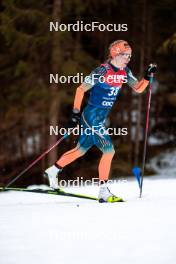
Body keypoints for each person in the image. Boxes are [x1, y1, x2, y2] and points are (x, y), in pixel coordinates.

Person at [44, 40, 157, 202]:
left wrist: (147, 76)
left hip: (99, 118)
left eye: (130, 56)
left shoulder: (124, 72)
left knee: (80, 150)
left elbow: (138, 89)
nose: (128, 58)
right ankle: (103, 191)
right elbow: (80, 89)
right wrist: (75, 113)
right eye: (125, 55)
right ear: (115, 53)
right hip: (91, 116)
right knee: (109, 151)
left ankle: (53, 170)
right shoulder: (102, 71)